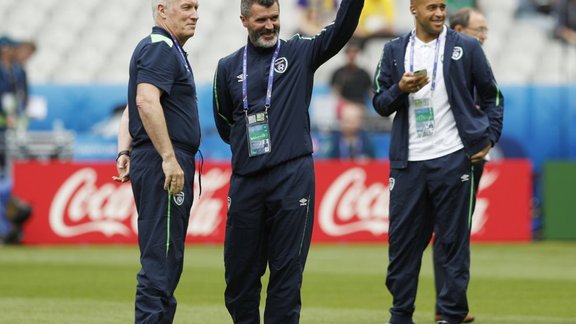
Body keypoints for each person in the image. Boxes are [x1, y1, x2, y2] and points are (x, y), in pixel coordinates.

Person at [212, 0, 364, 322]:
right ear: (244, 20)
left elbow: (341, 30)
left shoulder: (299, 52)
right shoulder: (227, 67)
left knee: (286, 276)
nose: (269, 26)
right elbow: (226, 123)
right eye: (261, 20)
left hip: (292, 177)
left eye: (274, 18)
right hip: (246, 182)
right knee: (238, 279)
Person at [372, 0, 504, 323]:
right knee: (402, 246)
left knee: (452, 245)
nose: (439, 13)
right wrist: (400, 90)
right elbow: (379, 102)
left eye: (442, 6)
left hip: (452, 158)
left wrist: (488, 138)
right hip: (409, 162)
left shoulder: (467, 48)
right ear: (414, 9)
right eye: (431, 6)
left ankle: (451, 315)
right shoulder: (393, 50)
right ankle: (401, 314)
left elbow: (493, 96)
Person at [113, 0, 201, 323]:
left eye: (196, 7)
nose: (195, 14)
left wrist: (125, 151)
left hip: (156, 158)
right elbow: (145, 101)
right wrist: (168, 157)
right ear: (162, 10)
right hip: (165, 162)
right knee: (161, 261)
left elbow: (131, 106)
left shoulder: (163, 49)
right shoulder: (161, 47)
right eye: (187, 6)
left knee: (166, 258)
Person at [429, 7, 490, 323]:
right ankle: (450, 306)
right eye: (478, 29)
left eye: (485, 30)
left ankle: (449, 304)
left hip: (469, 155)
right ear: (457, 30)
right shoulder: (446, 64)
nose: (483, 36)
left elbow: (493, 103)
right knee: (450, 233)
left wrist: (488, 138)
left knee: (452, 233)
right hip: (448, 157)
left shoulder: (475, 62)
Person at [330, 40, 373, 105]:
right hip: (343, 106)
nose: (352, 55)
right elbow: (335, 94)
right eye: (349, 52)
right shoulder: (338, 73)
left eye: (355, 52)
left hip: (360, 106)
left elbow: (370, 93)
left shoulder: (364, 74)